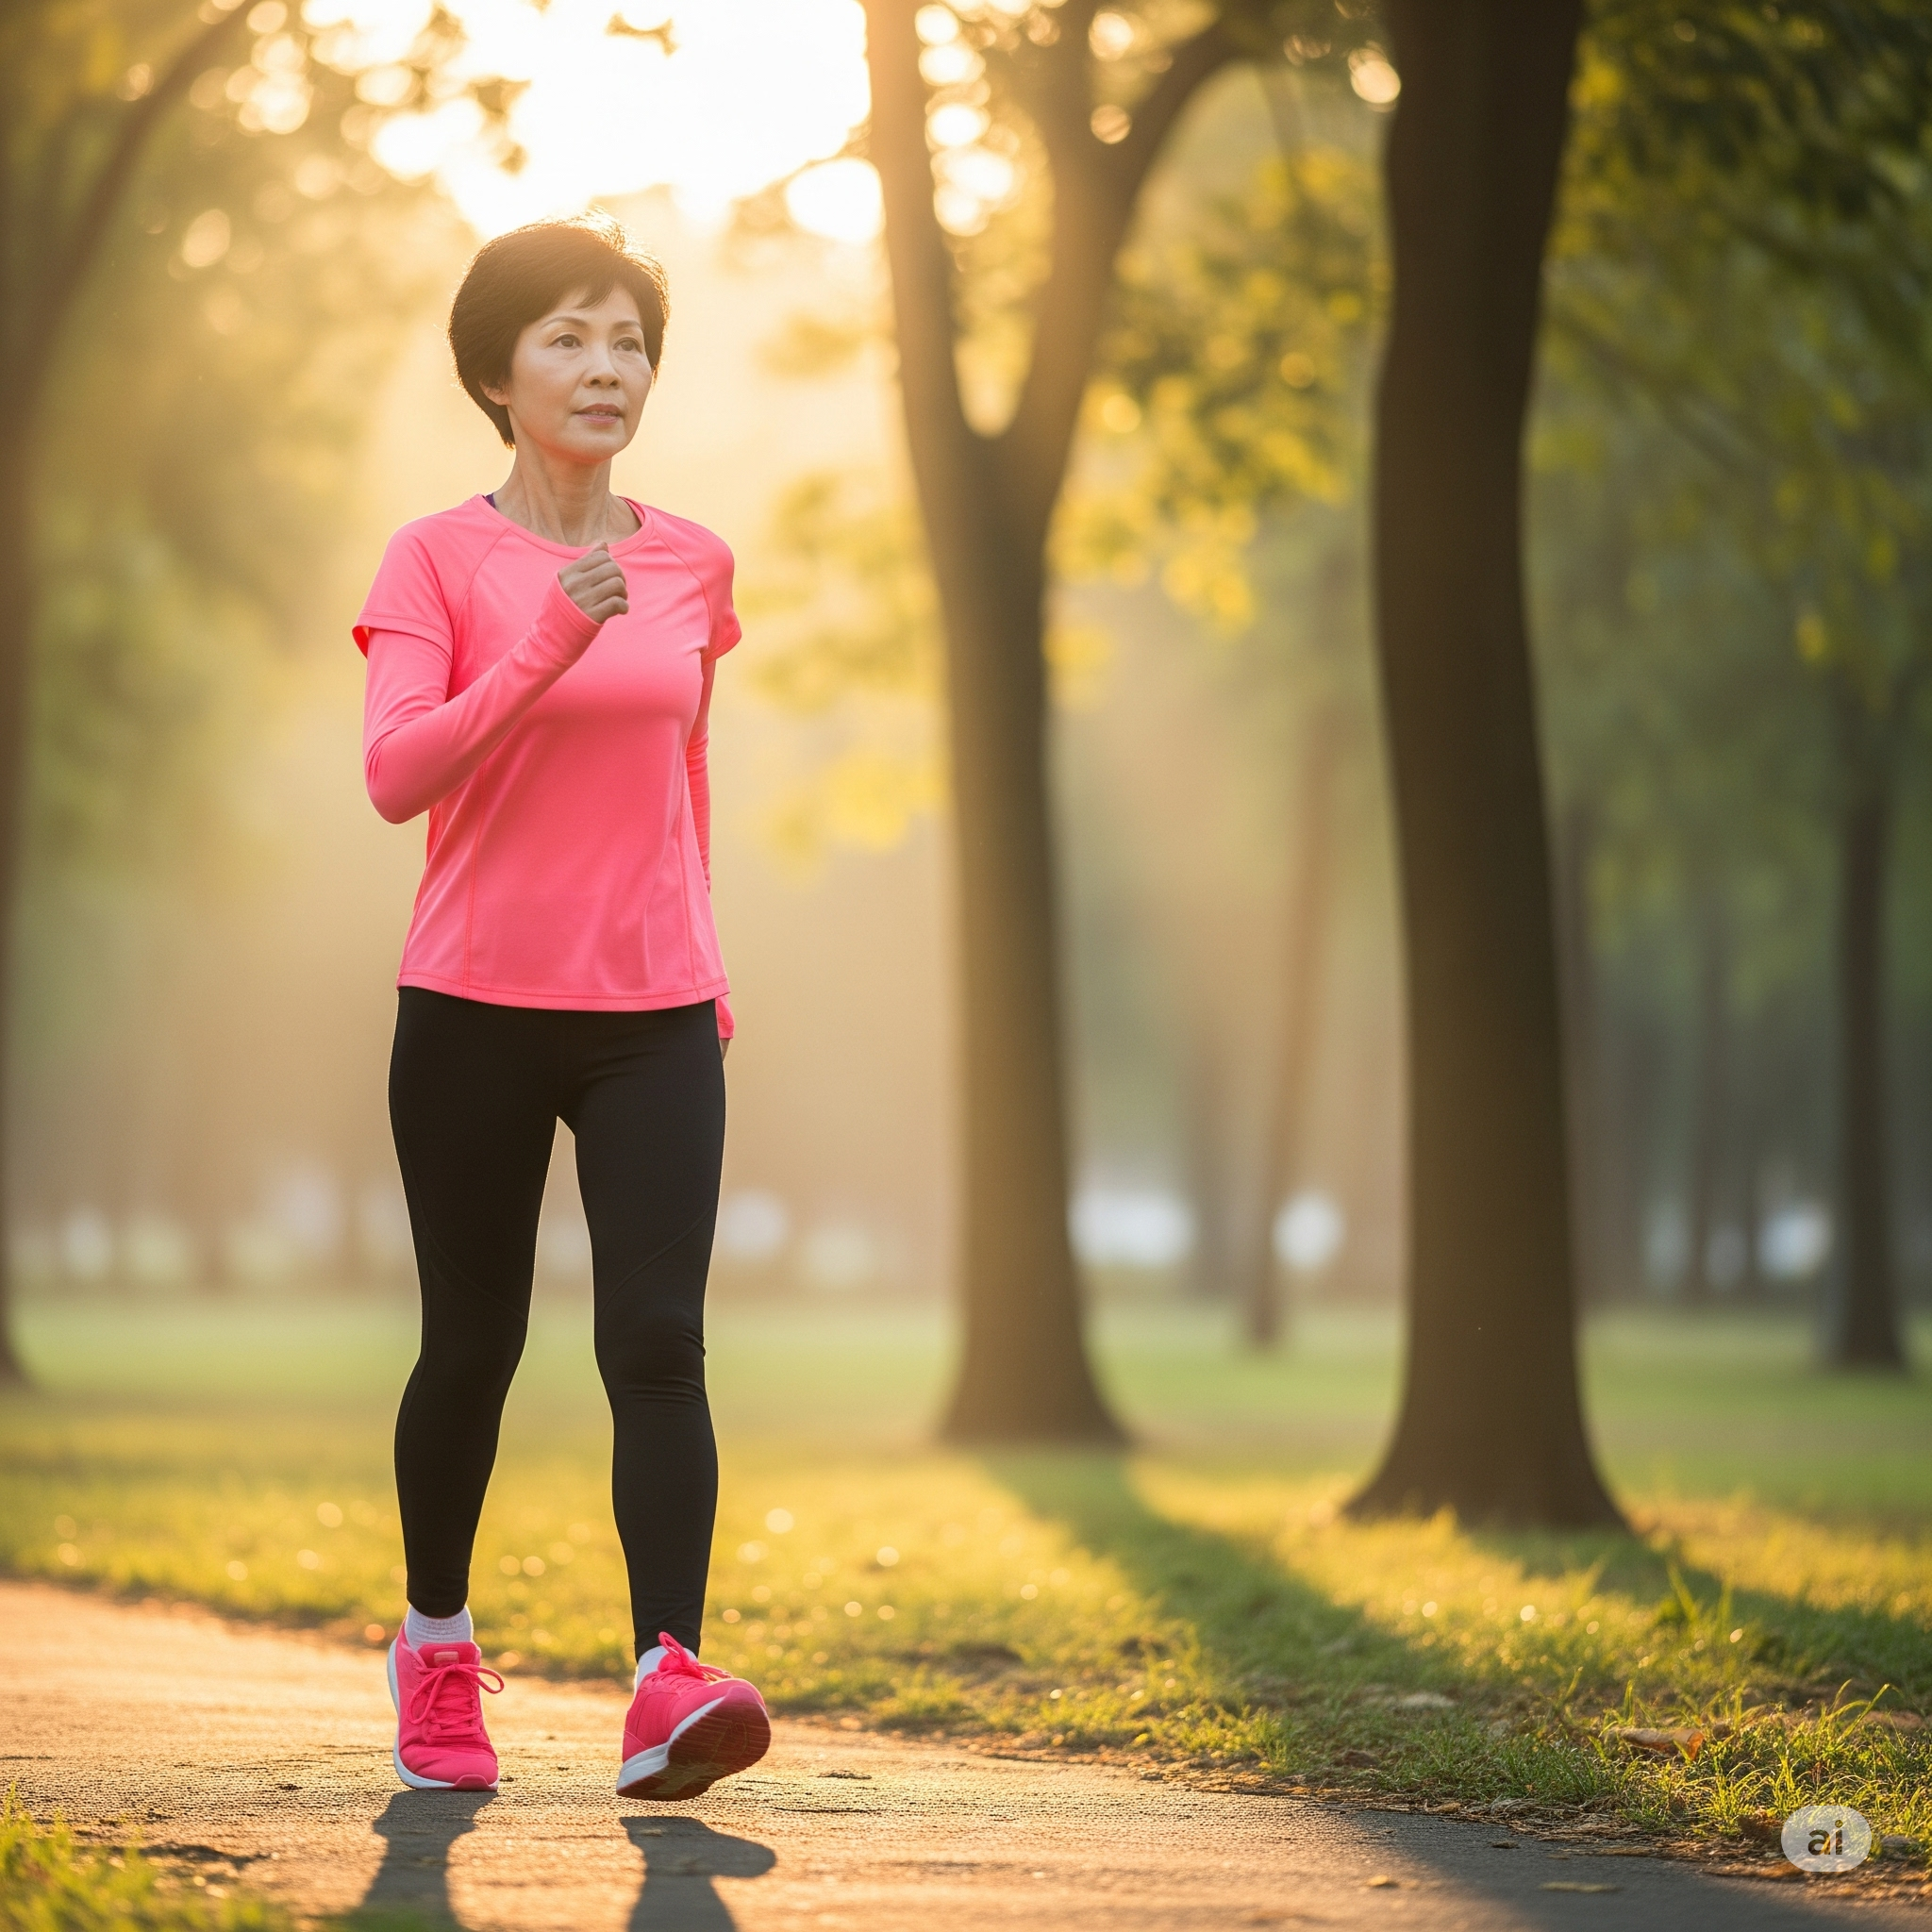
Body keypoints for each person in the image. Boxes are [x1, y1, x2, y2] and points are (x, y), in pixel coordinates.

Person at [352, 213, 767, 1802]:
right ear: (495, 373)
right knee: (475, 1345)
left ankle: (667, 1679)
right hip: (472, 1003)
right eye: (570, 339)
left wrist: (707, 958)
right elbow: (399, 775)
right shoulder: (435, 559)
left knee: (658, 1340)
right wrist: (546, 636)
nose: (608, 369)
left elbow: (686, 770)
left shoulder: (695, 562)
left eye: (630, 342)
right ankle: (436, 1646)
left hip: (654, 1009)